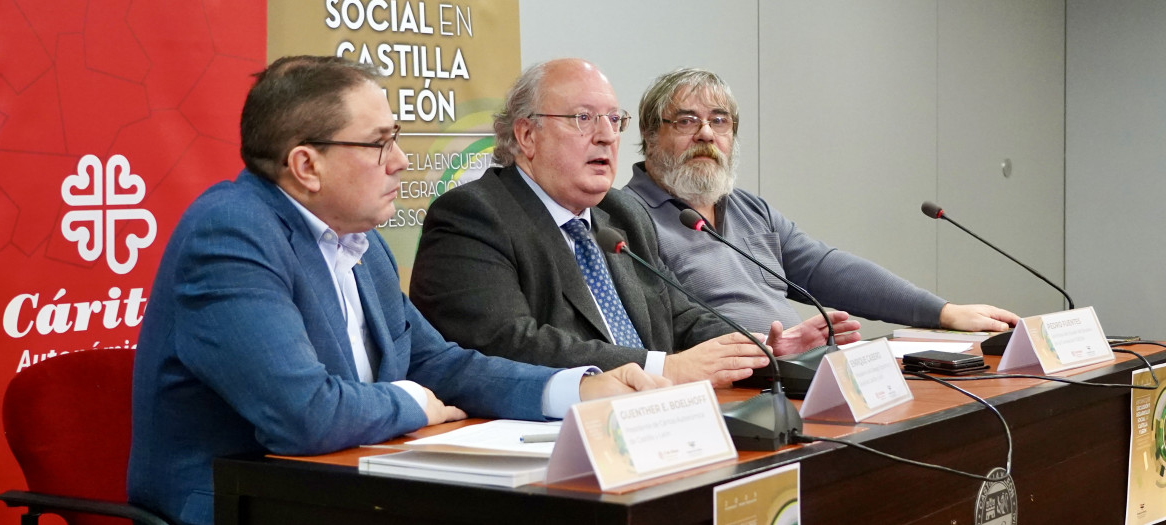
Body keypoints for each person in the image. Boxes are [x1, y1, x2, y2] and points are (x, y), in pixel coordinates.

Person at [127, 56, 667, 525]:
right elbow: (304, 415)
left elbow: (438, 363)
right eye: (379, 143)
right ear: (305, 166)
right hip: (242, 507)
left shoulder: (362, 242)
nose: (401, 160)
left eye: (397, 137)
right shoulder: (231, 235)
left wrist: (573, 389)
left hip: (354, 495)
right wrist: (411, 401)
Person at [409, 58, 858, 389]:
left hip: (654, 419)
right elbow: (507, 342)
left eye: (612, 119)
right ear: (526, 136)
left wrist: (758, 349)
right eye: (583, 119)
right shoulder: (474, 215)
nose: (605, 134)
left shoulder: (621, 214)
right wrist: (663, 366)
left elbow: (680, 317)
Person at [624, 67, 1019, 335]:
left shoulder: (749, 209)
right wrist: (767, 350)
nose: (707, 134)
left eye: (720, 120)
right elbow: (668, 323)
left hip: (792, 375)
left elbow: (827, 270)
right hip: (728, 390)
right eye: (687, 120)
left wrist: (943, 312)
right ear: (650, 133)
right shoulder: (624, 217)